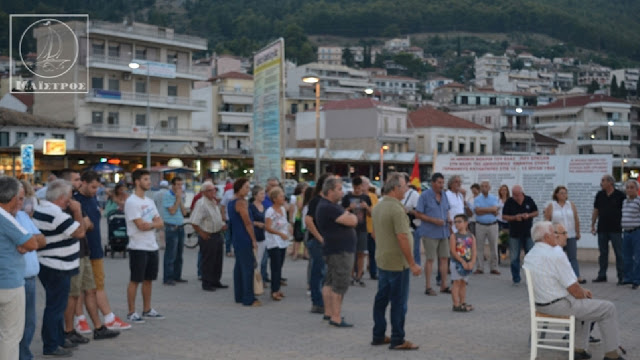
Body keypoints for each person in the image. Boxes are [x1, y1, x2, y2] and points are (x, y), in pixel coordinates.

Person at [523, 221, 625, 360]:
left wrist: (581, 293)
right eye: (554, 233)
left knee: (586, 304)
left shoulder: (531, 254)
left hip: (540, 304)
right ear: (546, 237)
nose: (556, 236)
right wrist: (582, 293)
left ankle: (579, 349)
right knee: (608, 308)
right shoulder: (555, 254)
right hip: (558, 305)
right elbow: (574, 289)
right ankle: (612, 354)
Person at [64, 170, 119, 344]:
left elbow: (91, 225)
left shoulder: (89, 199)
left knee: (90, 289)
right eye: (76, 180)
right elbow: (84, 227)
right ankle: (72, 327)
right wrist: (85, 221)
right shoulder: (73, 202)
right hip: (77, 252)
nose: (78, 183)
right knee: (75, 293)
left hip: (89, 251)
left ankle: (98, 327)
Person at [32, 179, 85, 357]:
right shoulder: (56, 214)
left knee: (57, 306)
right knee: (55, 307)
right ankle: (51, 345)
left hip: (51, 263)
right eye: (70, 196)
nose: (72, 200)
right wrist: (77, 211)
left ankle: (58, 339)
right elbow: (80, 232)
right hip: (57, 265)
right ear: (62, 198)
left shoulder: (43, 208)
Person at [73, 172, 131, 335]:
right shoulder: (76, 200)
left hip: (95, 249)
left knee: (95, 286)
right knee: (79, 288)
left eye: (97, 188)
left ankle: (106, 318)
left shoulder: (92, 198)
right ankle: (81, 319)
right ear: (83, 183)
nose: (94, 191)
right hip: (81, 250)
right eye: (92, 187)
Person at [371, 172, 421, 350]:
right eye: (404, 186)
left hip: (383, 259)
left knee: (381, 300)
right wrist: (412, 263)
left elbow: (375, 233)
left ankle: (378, 334)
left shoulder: (378, 206)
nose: (407, 189)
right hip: (398, 263)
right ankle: (398, 338)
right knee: (399, 303)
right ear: (395, 188)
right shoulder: (396, 209)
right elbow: (402, 237)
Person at [1, 177, 44, 360]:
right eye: (20, 198)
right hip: (9, 284)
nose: (21, 203)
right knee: (10, 336)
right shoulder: (5, 217)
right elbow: (33, 242)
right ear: (11, 198)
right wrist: (25, 244)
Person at [124, 169, 165, 323]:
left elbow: (160, 222)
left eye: (149, 179)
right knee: (135, 280)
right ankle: (131, 312)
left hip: (151, 245)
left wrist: (152, 224)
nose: (149, 182)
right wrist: (153, 224)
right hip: (137, 246)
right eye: (146, 179)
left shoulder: (149, 201)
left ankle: (147, 309)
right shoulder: (132, 201)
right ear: (137, 181)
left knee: (149, 279)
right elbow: (140, 225)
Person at [316, 177, 358, 327]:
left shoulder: (330, 206)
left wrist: (348, 215)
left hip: (334, 249)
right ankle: (336, 317)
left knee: (330, 281)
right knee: (339, 284)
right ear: (330, 191)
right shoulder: (329, 207)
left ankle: (329, 313)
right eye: (339, 189)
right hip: (340, 251)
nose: (342, 192)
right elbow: (352, 221)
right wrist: (351, 216)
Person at [17, 180, 46, 360]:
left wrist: (27, 242)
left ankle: (24, 355)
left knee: (29, 323)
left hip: (29, 278)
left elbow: (41, 240)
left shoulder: (22, 216)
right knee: (11, 325)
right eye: (20, 198)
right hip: (12, 279)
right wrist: (29, 242)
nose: (24, 202)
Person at [413, 173, 450, 296]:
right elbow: (418, 214)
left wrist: (449, 220)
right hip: (430, 232)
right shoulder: (424, 196)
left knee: (444, 258)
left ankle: (443, 285)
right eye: (439, 183)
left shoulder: (444, 195)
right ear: (433, 183)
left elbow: (446, 210)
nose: (441, 185)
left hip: (444, 231)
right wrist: (433, 220)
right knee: (430, 259)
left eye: (442, 183)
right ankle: (428, 287)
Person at [190, 182, 227, 292]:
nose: (213, 192)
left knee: (217, 260)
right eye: (210, 190)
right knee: (208, 260)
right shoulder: (201, 204)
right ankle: (207, 283)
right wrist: (201, 233)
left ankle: (216, 280)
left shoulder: (213, 202)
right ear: (204, 192)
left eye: (214, 189)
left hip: (217, 233)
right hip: (208, 235)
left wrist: (221, 225)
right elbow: (194, 221)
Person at [229, 178, 260, 307]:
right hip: (244, 237)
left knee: (239, 267)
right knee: (247, 267)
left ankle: (239, 295)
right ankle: (248, 297)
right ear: (239, 188)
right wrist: (253, 239)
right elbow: (247, 222)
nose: (248, 190)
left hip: (236, 236)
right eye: (246, 187)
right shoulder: (241, 202)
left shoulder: (231, 201)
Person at [544, 186, 585, 283]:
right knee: (557, 257)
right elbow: (547, 220)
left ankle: (576, 276)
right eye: (561, 193)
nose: (564, 195)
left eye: (565, 193)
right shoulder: (551, 205)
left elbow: (576, 219)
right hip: (557, 236)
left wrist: (577, 232)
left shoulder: (571, 205)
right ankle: (556, 277)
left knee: (572, 257)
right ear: (556, 194)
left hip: (570, 235)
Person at [305, 173, 333, 315]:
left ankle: (324, 301)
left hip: (327, 241)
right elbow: (308, 220)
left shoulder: (329, 201)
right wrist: (320, 238)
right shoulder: (316, 201)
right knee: (318, 272)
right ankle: (317, 303)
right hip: (317, 242)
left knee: (326, 273)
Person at [591, 174, 626, 284]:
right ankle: (602, 275)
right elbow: (596, 210)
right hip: (602, 228)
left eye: (603, 181)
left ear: (610, 183)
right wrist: (592, 224)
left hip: (616, 229)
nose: (601, 183)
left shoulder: (620, 195)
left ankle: (622, 276)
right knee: (603, 253)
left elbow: (625, 210)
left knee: (619, 253)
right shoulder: (600, 195)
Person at [502, 185, 538, 285]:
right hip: (514, 233)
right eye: (513, 194)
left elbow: (536, 212)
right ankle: (516, 278)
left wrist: (528, 215)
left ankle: (531, 278)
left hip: (528, 233)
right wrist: (514, 217)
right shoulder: (509, 201)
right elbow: (504, 216)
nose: (515, 196)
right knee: (514, 257)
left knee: (530, 256)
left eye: (517, 194)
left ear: (522, 193)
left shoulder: (528, 200)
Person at [341, 176, 372, 287]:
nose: (357, 190)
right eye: (356, 188)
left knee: (361, 253)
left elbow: (371, 214)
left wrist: (366, 207)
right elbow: (341, 212)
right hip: (349, 229)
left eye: (359, 188)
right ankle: (351, 275)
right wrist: (349, 208)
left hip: (362, 228)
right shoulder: (347, 197)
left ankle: (359, 276)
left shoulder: (366, 197)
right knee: (351, 253)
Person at [264, 187, 292, 301]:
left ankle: (278, 288)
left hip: (283, 241)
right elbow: (268, 227)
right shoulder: (270, 211)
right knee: (275, 266)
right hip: (274, 241)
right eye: (281, 196)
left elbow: (285, 223)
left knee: (279, 266)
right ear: (274, 199)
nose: (283, 198)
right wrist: (280, 233)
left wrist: (289, 229)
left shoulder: (283, 209)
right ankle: (274, 290)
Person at [449, 214, 476, 312]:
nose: (457, 224)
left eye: (459, 222)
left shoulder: (471, 236)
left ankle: (462, 302)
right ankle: (456, 304)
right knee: (456, 282)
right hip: (457, 263)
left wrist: (472, 262)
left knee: (464, 283)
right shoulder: (454, 236)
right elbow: (453, 251)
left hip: (467, 263)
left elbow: (474, 250)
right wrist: (462, 261)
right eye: (455, 222)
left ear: (466, 223)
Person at [472, 181, 501, 275]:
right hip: (480, 225)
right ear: (480, 188)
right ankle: (480, 267)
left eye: (486, 186)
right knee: (479, 247)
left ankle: (494, 267)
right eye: (482, 186)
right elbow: (477, 211)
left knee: (494, 247)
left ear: (489, 188)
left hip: (493, 225)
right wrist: (490, 210)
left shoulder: (494, 198)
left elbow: (495, 210)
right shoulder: (477, 199)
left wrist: (483, 210)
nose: (484, 188)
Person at [621, 179, 640, 290]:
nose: (629, 189)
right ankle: (628, 278)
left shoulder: (639, 201)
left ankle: (636, 280)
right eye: (627, 187)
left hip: (636, 232)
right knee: (626, 257)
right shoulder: (625, 201)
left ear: (637, 189)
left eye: (632, 187)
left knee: (637, 257)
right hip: (626, 232)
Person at [249, 186, 268, 283]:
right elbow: (248, 221)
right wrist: (257, 223)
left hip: (263, 235)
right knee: (256, 260)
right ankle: (255, 282)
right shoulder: (251, 207)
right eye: (261, 193)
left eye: (264, 193)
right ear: (255, 195)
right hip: (255, 235)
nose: (263, 195)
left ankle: (259, 280)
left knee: (262, 260)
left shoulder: (263, 206)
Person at [362, 177, 379, 280]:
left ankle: (373, 272)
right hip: (359, 228)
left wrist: (366, 207)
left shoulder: (373, 197)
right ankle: (356, 272)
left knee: (373, 252)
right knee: (358, 253)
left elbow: (374, 213)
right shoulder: (355, 196)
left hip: (370, 228)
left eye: (364, 184)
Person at [401, 176, 421, 266]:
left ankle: (416, 266)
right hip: (401, 224)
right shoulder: (398, 193)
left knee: (414, 248)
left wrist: (408, 210)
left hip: (412, 225)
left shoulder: (414, 194)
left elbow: (419, 212)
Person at [290, 183, 308, 260]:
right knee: (298, 237)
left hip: (306, 219)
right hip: (299, 218)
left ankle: (305, 253)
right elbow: (300, 207)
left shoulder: (309, 197)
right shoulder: (298, 198)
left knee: (306, 237)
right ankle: (295, 253)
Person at [220, 180, 235, 257]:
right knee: (228, 235)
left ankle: (236, 250)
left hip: (236, 219)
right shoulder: (228, 193)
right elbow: (223, 205)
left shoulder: (241, 193)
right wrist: (223, 215)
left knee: (235, 235)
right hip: (228, 217)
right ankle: (228, 250)